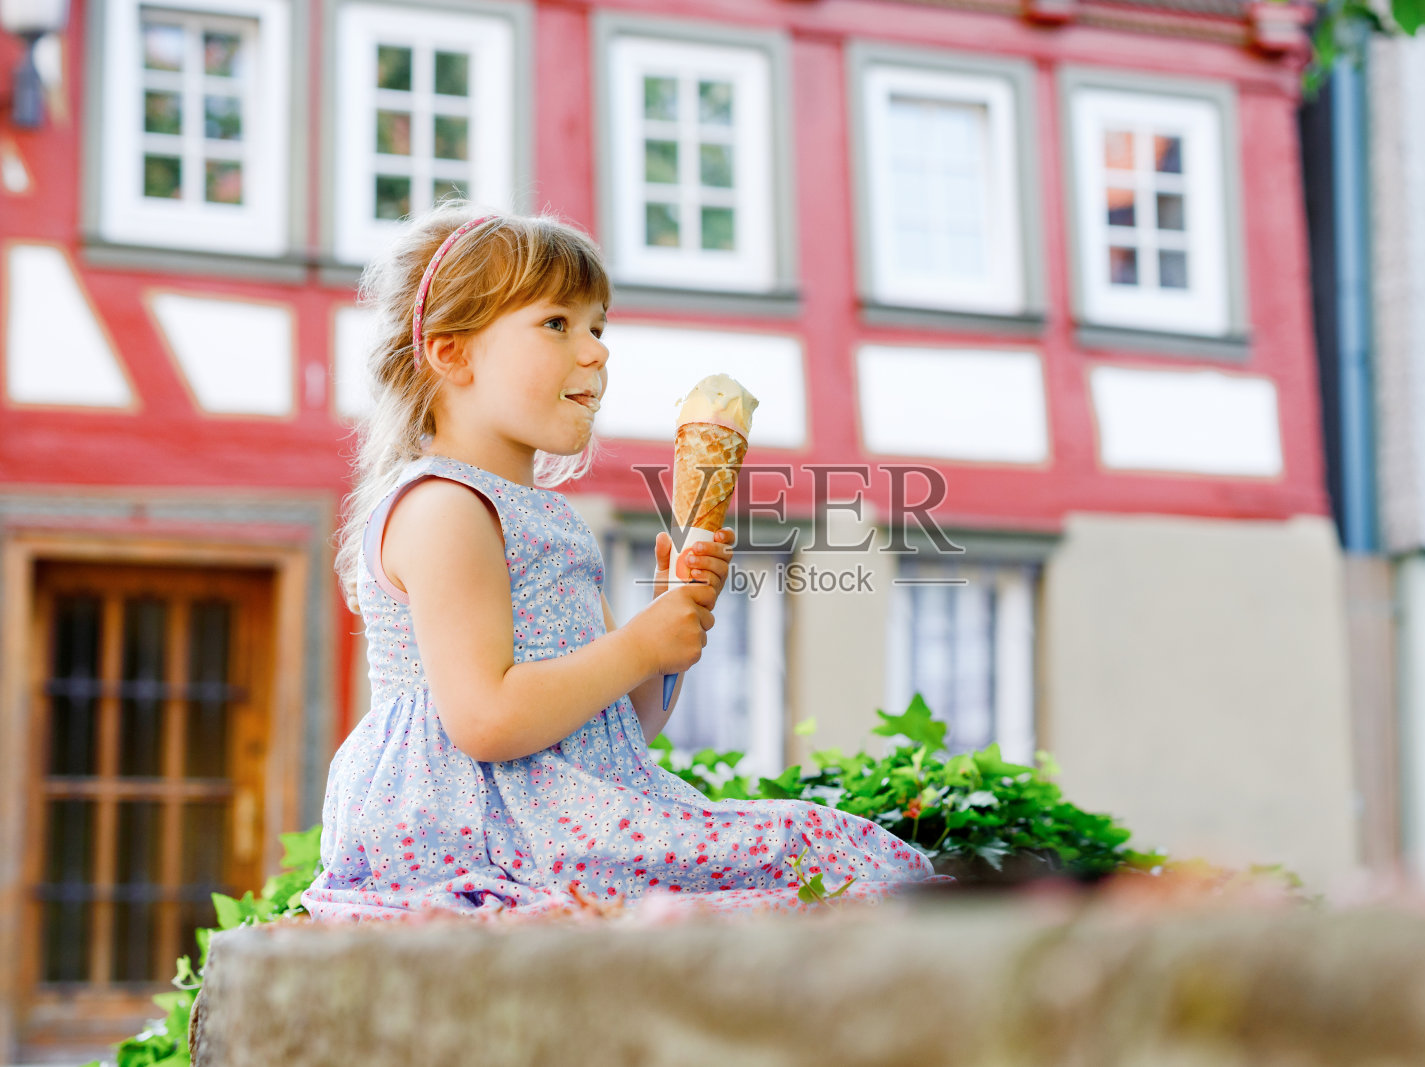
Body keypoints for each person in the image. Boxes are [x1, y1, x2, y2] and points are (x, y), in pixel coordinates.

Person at [302, 202, 945, 920]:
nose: (597, 350)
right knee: (808, 848)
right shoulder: (443, 507)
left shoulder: (548, 518)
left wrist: (665, 638)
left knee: (817, 850)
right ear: (451, 353)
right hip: (475, 822)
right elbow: (485, 719)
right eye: (558, 323)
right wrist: (636, 643)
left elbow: (620, 723)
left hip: (558, 809)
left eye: (598, 326)